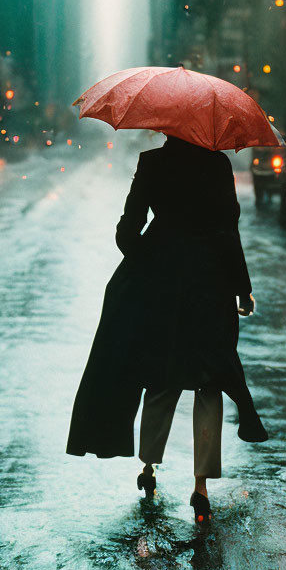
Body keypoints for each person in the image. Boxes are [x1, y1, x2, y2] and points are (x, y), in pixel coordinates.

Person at [66, 135, 267, 524]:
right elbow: (229, 232)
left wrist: (152, 261)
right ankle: (201, 486)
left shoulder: (152, 162)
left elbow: (127, 230)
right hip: (211, 286)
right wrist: (242, 288)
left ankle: (149, 467)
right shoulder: (218, 165)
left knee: (163, 376)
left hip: (163, 289)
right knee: (210, 381)